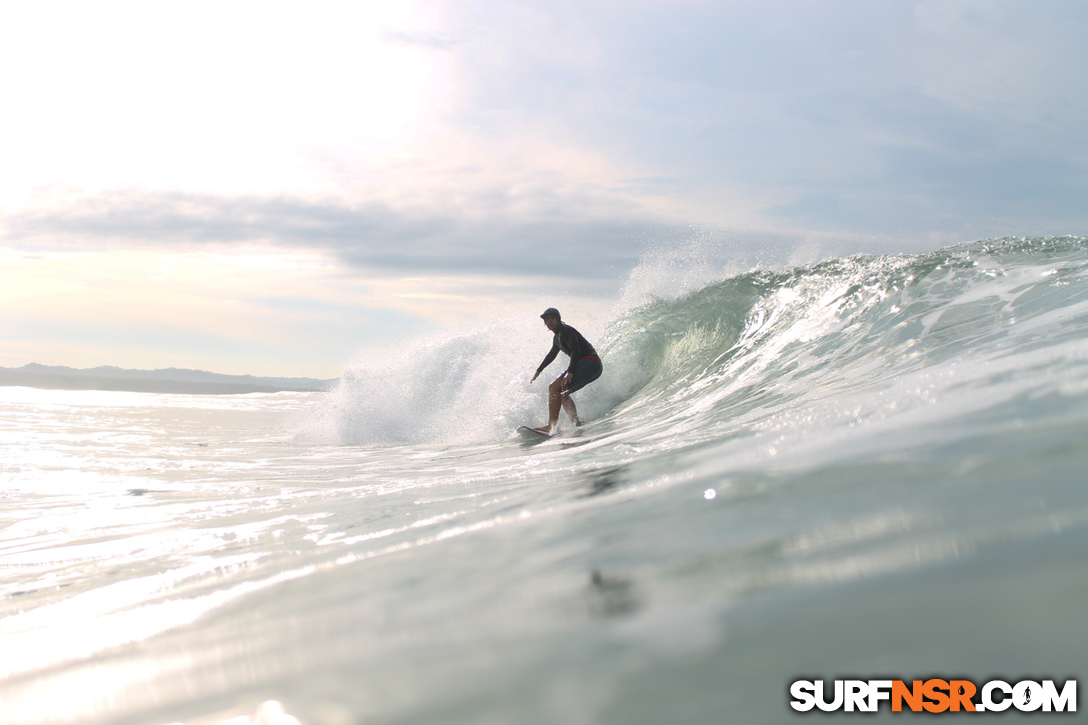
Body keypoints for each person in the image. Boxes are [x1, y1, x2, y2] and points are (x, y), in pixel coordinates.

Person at [530, 307, 603, 434]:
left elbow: (576, 351)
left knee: (553, 387)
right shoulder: (557, 337)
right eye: (547, 319)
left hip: (590, 362)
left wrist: (571, 371)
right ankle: (576, 423)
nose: (550, 321)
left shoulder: (565, 330)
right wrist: (538, 370)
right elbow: (551, 355)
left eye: (552, 318)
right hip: (591, 366)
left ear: (558, 319)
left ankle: (551, 426)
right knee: (563, 393)